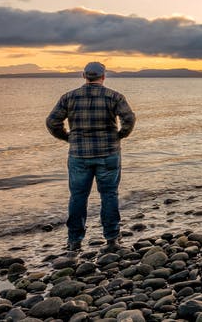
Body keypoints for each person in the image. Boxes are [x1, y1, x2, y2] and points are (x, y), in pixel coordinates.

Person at [46, 61, 136, 252]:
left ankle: (74, 240)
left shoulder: (69, 97)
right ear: (103, 76)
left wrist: (68, 137)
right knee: (109, 195)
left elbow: (52, 122)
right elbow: (129, 118)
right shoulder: (114, 96)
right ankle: (112, 238)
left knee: (78, 197)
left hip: (79, 154)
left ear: (84, 76)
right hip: (108, 153)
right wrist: (120, 135)